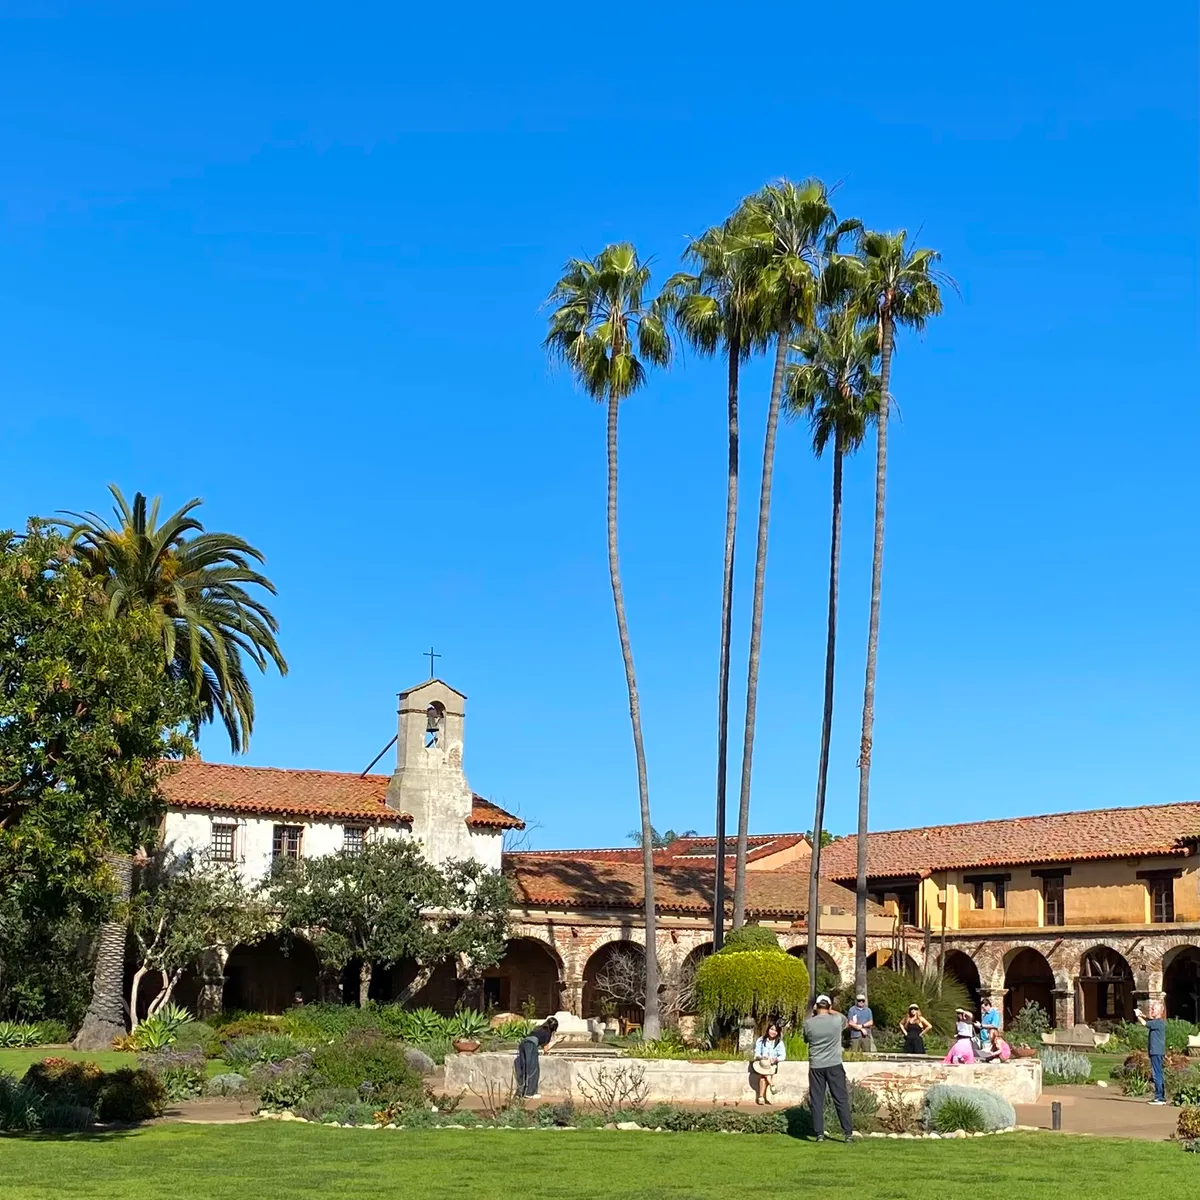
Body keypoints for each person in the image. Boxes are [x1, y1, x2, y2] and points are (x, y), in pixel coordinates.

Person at [802, 995, 855, 1143]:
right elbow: (846, 1019)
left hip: (816, 1065)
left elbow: (806, 1039)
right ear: (830, 1007)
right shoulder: (836, 1020)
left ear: (816, 1007)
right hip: (834, 1064)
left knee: (817, 1100)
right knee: (840, 1099)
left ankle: (819, 1134)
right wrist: (832, 1011)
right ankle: (848, 1133)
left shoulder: (808, 1024)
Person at [514, 1016, 558, 1099]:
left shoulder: (538, 1028)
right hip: (531, 1046)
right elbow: (546, 1049)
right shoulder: (547, 1032)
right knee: (533, 1069)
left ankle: (521, 1092)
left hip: (523, 1044)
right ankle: (530, 1093)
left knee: (524, 1069)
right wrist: (556, 1042)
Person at [1135, 1001, 1167, 1104]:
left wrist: (1138, 1016)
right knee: (1158, 1073)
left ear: (1159, 1012)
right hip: (1158, 1051)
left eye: (1153, 1009)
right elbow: (1149, 1020)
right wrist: (1142, 1015)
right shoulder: (1158, 1022)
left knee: (1156, 1074)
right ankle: (1161, 1096)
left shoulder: (1157, 1023)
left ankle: (1159, 1097)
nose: (1151, 1010)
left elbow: (1145, 1023)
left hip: (1156, 1051)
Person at [751, 1020, 787, 1105]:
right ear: (768, 1029)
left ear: (778, 1032)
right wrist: (761, 1057)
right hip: (761, 1065)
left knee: (764, 1076)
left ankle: (760, 1097)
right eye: (771, 1029)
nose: (773, 1032)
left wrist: (775, 1059)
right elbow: (757, 1053)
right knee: (764, 1072)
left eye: (775, 1030)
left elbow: (783, 1056)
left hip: (771, 1065)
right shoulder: (761, 1040)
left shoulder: (779, 1043)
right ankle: (771, 1085)